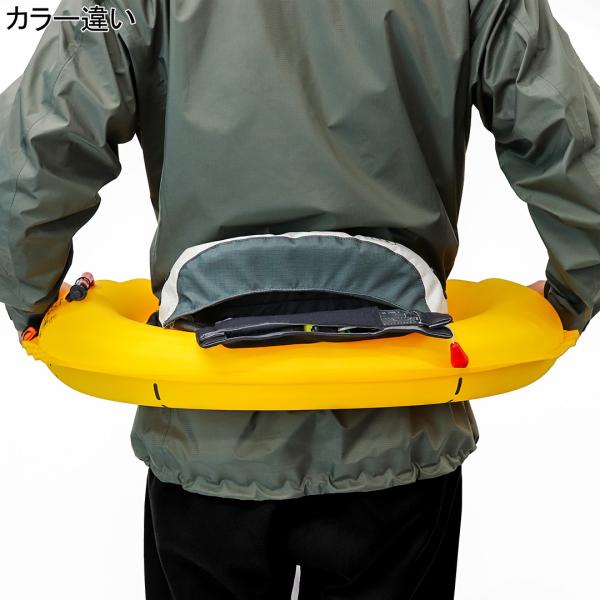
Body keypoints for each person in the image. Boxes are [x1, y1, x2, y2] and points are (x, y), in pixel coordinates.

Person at [1, 1, 599, 598]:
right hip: (396, 425)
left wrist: (34, 299)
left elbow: (36, 141)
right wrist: (570, 295)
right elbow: (570, 132)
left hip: (208, 426)